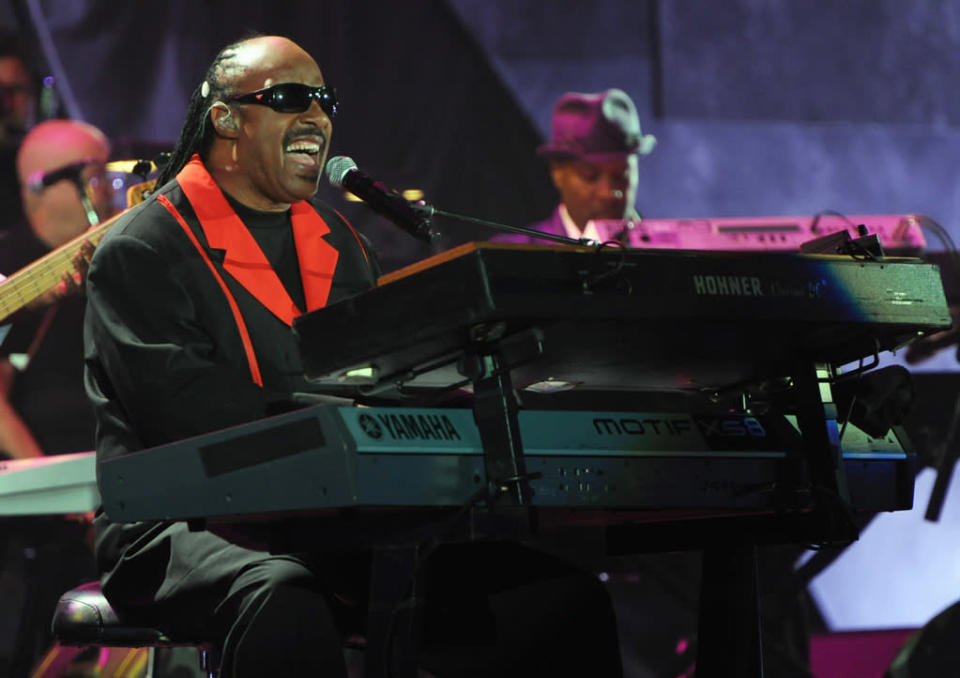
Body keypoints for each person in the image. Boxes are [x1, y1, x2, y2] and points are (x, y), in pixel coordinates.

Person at [85, 35, 622, 678]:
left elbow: (391, 377)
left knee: (558, 601)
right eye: (289, 98)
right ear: (225, 119)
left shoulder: (340, 241)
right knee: (283, 596)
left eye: (324, 100)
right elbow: (190, 419)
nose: (316, 117)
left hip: (334, 515)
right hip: (179, 524)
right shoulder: (145, 249)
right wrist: (354, 417)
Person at [0, 118, 111, 459]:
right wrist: (58, 490)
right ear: (38, 187)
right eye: (93, 176)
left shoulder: (111, 261)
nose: (104, 189)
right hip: (56, 497)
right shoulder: (11, 266)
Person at [495, 88, 655, 245]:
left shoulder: (669, 253)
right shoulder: (512, 254)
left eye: (621, 176)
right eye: (590, 176)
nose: (607, 193)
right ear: (557, 173)